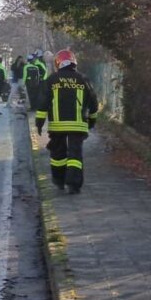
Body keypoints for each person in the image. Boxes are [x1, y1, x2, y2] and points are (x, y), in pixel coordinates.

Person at [36, 49, 99, 194]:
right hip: (78, 125)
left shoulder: (51, 80)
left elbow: (43, 103)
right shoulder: (83, 79)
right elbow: (93, 103)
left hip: (57, 126)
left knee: (58, 154)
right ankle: (73, 184)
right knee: (75, 155)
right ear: (74, 62)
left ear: (58, 63)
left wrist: (39, 122)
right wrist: (92, 121)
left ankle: (59, 180)